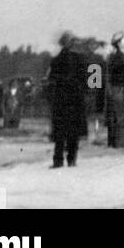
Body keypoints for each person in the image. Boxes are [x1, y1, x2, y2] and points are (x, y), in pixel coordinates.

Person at [45, 31, 88, 168]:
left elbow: (51, 79)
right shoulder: (80, 58)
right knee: (73, 132)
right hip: (75, 99)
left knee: (60, 133)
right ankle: (72, 159)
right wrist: (91, 92)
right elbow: (89, 77)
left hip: (61, 99)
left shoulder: (56, 59)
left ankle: (58, 160)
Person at [105, 32, 124, 147]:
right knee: (119, 115)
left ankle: (114, 140)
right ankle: (118, 141)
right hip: (118, 88)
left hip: (116, 88)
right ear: (118, 43)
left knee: (114, 115)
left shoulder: (113, 56)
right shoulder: (118, 57)